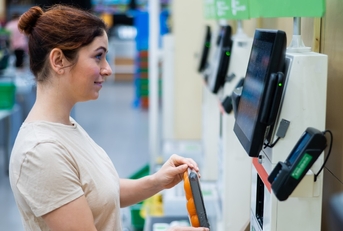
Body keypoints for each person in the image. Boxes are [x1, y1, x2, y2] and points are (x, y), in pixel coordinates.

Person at [8, 4, 209, 231]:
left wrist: (157, 181)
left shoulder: (65, 126)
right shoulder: (41, 153)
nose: (108, 69)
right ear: (58, 60)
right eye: (98, 57)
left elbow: (98, 194)